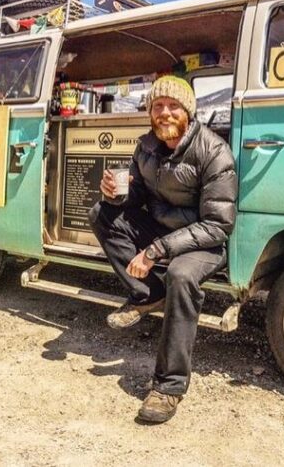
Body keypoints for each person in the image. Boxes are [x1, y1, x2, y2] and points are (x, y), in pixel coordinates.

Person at [87, 75, 237, 423]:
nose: (165, 113)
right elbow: (137, 193)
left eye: (173, 106)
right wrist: (117, 193)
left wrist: (155, 251)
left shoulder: (213, 151)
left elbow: (218, 224)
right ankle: (148, 293)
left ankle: (169, 386)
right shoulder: (147, 146)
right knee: (101, 214)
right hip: (164, 233)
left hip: (204, 242)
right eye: (158, 106)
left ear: (188, 111)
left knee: (181, 275)